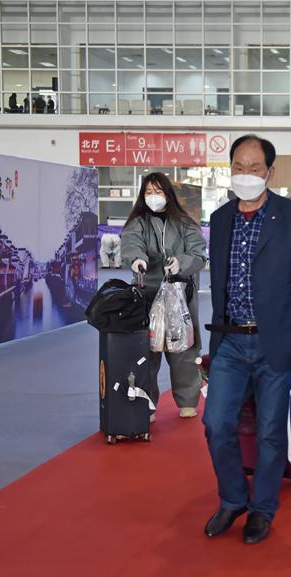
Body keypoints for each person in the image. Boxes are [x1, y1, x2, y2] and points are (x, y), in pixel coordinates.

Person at [202, 134, 291, 545]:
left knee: (272, 432)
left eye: (255, 168)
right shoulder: (220, 220)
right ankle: (234, 497)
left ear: (270, 172)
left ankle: (262, 508)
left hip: (278, 343)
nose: (246, 175)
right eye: (239, 166)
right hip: (231, 343)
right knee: (216, 424)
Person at [121, 172, 207, 421]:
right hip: (147, 297)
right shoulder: (138, 222)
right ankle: (146, 401)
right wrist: (137, 259)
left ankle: (188, 400)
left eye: (158, 192)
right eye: (148, 192)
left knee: (183, 349)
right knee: (146, 351)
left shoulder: (185, 223)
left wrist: (181, 263)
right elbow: (131, 243)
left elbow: (199, 254)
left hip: (180, 296)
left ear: (168, 194)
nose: (153, 197)